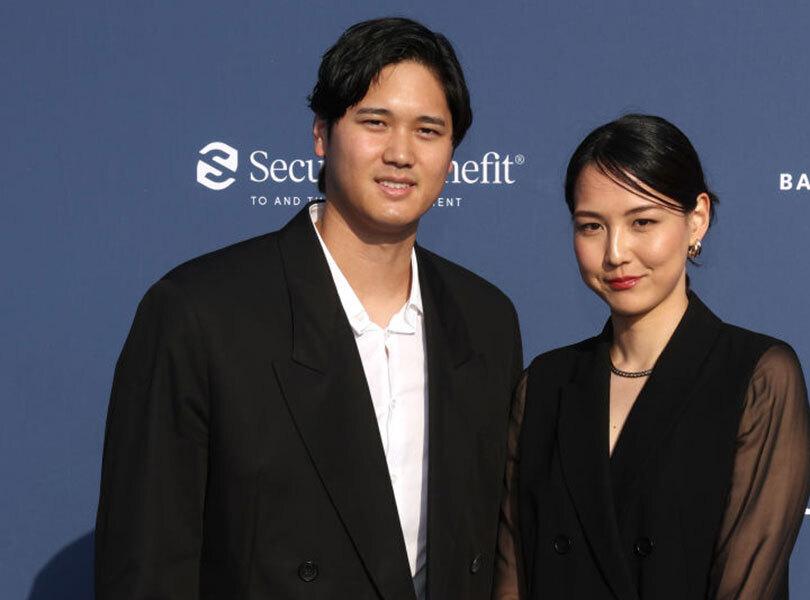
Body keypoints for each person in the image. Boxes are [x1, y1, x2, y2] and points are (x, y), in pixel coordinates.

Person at [95, 17, 522, 600]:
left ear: (451, 153)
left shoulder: (486, 319)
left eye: (428, 130)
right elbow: (145, 570)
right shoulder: (200, 313)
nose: (401, 153)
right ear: (322, 134)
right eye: (375, 122)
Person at [493, 114, 810, 600]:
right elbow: (511, 574)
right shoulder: (545, 384)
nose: (616, 252)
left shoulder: (756, 374)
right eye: (591, 226)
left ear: (697, 219)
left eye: (642, 222)